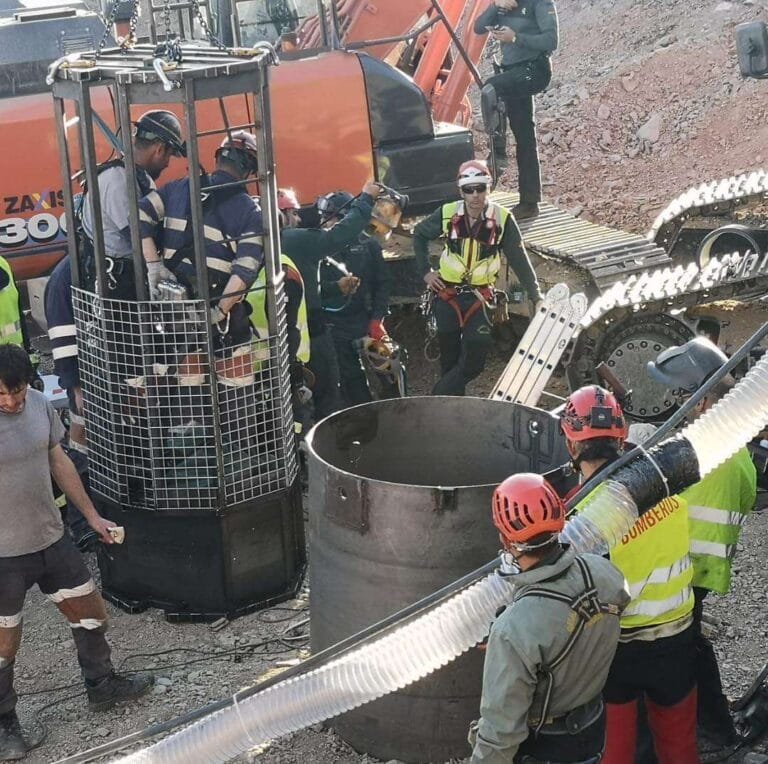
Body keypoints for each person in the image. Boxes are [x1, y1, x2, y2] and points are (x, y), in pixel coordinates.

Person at [0, 345, 152, 759]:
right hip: (3, 556)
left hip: (51, 538)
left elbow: (59, 461)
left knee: (89, 613)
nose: (11, 401)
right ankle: (4, 723)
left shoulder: (38, 405)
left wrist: (92, 517)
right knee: (2, 642)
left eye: (16, 391)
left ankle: (102, 685)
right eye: (1, 395)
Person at [561, 385, 699, 764]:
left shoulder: (583, 517)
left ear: (572, 445)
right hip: (678, 636)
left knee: (616, 748)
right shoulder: (665, 486)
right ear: (622, 436)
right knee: (679, 744)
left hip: (619, 650)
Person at [469, 472, 629, 764]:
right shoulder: (605, 574)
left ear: (507, 540)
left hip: (545, 748)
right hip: (592, 727)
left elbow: (500, 732)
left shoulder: (513, 631)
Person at [648, 336, 756, 756]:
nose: (674, 406)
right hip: (699, 566)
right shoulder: (732, 446)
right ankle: (712, 726)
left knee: (677, 649)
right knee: (688, 643)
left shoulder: (706, 453)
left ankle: (711, 731)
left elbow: (650, 503)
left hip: (686, 566)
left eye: (682, 396)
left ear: (704, 400)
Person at [413, 159, 542, 396]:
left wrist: (535, 295)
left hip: (479, 298)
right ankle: (452, 411)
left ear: (488, 188)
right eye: (468, 190)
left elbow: (519, 259)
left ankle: (436, 397)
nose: (474, 195)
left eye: (480, 188)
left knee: (475, 357)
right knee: (449, 358)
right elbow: (419, 235)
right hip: (447, 294)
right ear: (460, 190)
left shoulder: (502, 219)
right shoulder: (448, 213)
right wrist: (426, 272)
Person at [139, 130, 264, 347]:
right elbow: (245, 270)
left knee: (184, 372)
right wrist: (220, 311)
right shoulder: (250, 212)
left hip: (171, 308)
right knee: (235, 376)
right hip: (217, 316)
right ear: (250, 170)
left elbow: (138, 215)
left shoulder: (178, 188)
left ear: (218, 159)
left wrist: (154, 266)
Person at [280, 181, 383, 421]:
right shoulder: (295, 239)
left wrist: (336, 287)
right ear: (283, 214)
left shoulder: (260, 247)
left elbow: (297, 290)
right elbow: (338, 237)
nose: (297, 218)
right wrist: (366, 199)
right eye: (293, 212)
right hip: (310, 336)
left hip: (280, 337)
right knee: (327, 397)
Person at [80, 109, 186, 297]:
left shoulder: (134, 177)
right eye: (168, 156)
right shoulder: (119, 181)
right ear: (159, 149)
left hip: (125, 278)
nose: (167, 163)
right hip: (117, 285)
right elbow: (137, 234)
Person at [474, 0, 559, 219]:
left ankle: (499, 153)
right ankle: (530, 202)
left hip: (534, 70)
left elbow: (551, 41)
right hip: (513, 72)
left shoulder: (540, 3)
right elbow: (478, 27)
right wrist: (495, 5)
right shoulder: (503, 5)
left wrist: (515, 37)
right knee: (524, 136)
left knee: (490, 88)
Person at [246, 188, 312, 434]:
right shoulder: (243, 269)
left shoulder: (281, 271)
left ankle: (301, 468)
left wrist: (285, 374)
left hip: (280, 370)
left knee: (291, 429)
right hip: (249, 373)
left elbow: (288, 328)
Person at [319, 191, 393, 407]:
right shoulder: (319, 247)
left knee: (390, 367)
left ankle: (396, 406)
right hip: (334, 325)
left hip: (366, 318)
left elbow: (383, 282)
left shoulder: (368, 244)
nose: (327, 223)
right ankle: (367, 419)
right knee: (352, 381)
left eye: (330, 217)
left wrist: (377, 318)